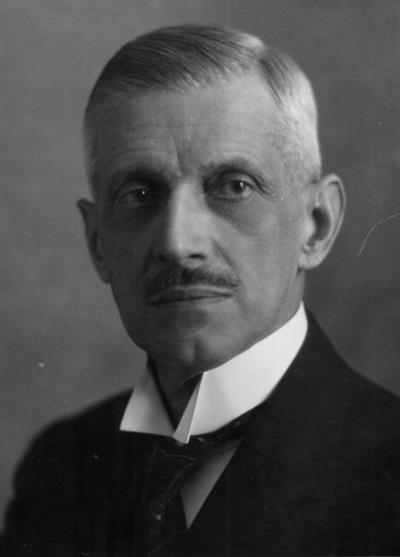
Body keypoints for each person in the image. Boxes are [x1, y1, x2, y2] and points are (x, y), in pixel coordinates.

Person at [1, 24, 400, 557]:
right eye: (139, 194)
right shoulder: (60, 467)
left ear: (316, 225)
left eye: (234, 187)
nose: (177, 242)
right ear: (98, 243)